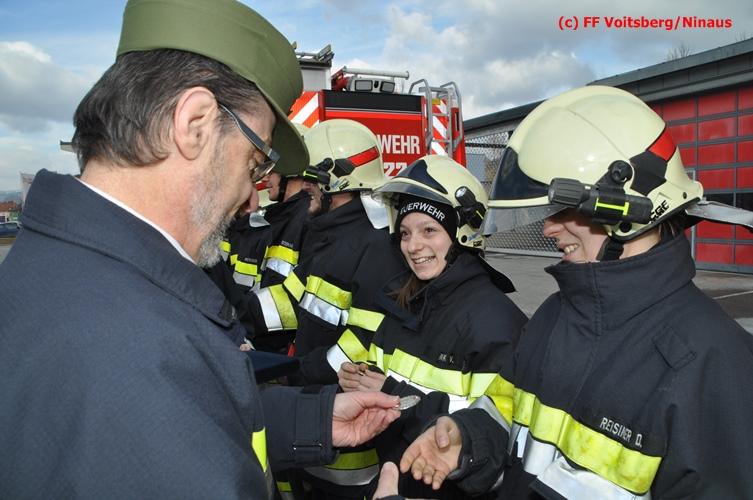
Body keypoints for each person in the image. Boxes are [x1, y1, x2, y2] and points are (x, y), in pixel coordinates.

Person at [0, 1, 401, 497]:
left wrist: (310, 419)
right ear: (194, 124)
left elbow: (177, 428)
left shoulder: (62, 274)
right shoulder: (143, 345)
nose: (251, 197)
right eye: (254, 163)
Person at [399, 85, 753, 499]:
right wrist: (468, 438)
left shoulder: (713, 363)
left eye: (565, 210)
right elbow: (507, 407)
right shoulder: (556, 314)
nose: (549, 228)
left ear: (628, 208)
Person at [328, 155, 526, 499]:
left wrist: (396, 397)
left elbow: (492, 434)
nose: (412, 246)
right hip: (393, 481)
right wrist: (360, 379)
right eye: (405, 233)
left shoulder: (496, 322)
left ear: (462, 234)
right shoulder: (404, 303)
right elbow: (389, 376)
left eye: (429, 230)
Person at [244, 118, 407, 498]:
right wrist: (232, 317)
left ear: (338, 180)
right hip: (316, 412)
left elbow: (364, 343)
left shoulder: (376, 248)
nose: (306, 188)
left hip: (347, 449)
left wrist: (299, 371)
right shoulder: (330, 237)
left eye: (312, 179)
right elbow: (289, 299)